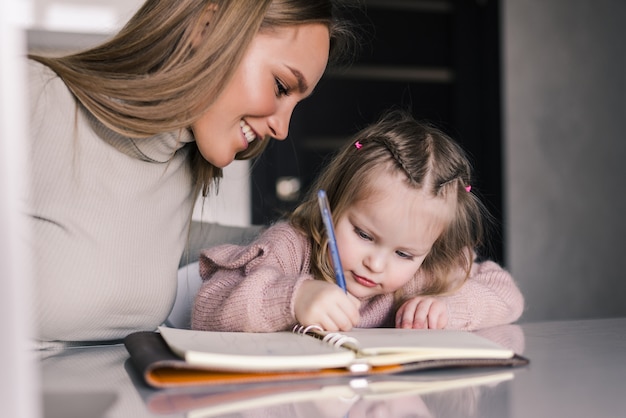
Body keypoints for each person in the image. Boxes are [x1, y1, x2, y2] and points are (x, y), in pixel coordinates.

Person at [26, 0, 356, 343]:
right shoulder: (30, 98)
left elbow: (143, 234)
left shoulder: (181, 161)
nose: (282, 128)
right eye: (280, 86)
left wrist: (305, 243)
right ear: (207, 27)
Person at [192, 110, 524, 332]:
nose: (376, 264)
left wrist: (446, 307)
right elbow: (207, 308)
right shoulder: (293, 247)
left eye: (404, 254)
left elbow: (507, 295)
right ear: (334, 203)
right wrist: (294, 298)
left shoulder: (423, 274)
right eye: (364, 234)